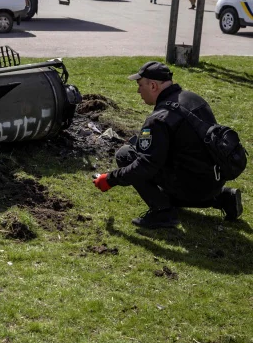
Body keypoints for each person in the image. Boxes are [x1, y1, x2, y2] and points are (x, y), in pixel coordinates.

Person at [92, 61, 242, 228]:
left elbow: (145, 166)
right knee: (171, 182)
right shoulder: (194, 98)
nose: (138, 91)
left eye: (140, 85)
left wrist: (110, 179)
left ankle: (162, 213)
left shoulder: (159, 119)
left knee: (126, 155)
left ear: (153, 86)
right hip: (214, 180)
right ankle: (222, 198)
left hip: (192, 186)